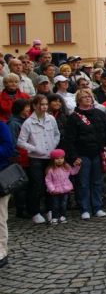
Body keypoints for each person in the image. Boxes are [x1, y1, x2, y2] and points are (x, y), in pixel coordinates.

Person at [63, 89, 106, 220]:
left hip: (98, 152)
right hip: (82, 154)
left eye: (89, 96)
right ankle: (84, 208)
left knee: (97, 181)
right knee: (83, 183)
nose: (88, 98)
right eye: (84, 97)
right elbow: (69, 139)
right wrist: (73, 156)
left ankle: (97, 207)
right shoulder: (74, 117)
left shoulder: (99, 114)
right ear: (79, 100)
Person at [17, 95, 60, 225]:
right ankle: (35, 211)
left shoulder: (51, 119)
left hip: (49, 157)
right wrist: (34, 148)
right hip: (36, 158)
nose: (44, 107)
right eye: (41, 104)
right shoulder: (28, 123)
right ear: (34, 106)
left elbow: (57, 134)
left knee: (50, 184)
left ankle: (50, 209)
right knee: (37, 185)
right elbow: (20, 141)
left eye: (46, 104)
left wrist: (53, 146)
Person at [7, 99, 31, 219]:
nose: (29, 109)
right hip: (19, 157)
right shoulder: (14, 123)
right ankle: (21, 208)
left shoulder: (26, 121)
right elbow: (13, 142)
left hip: (27, 155)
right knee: (21, 185)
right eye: (27, 107)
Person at [44, 148, 80, 225]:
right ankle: (55, 217)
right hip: (55, 191)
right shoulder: (50, 170)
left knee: (64, 204)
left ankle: (63, 216)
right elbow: (48, 180)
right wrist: (52, 189)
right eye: (57, 159)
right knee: (55, 205)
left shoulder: (66, 167)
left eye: (61, 158)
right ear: (53, 159)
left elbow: (73, 172)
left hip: (65, 190)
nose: (59, 160)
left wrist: (77, 166)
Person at [0, 119, 15, 268]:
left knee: (0, 217)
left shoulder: (1, 126)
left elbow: (8, 149)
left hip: (0, 176)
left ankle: (1, 252)